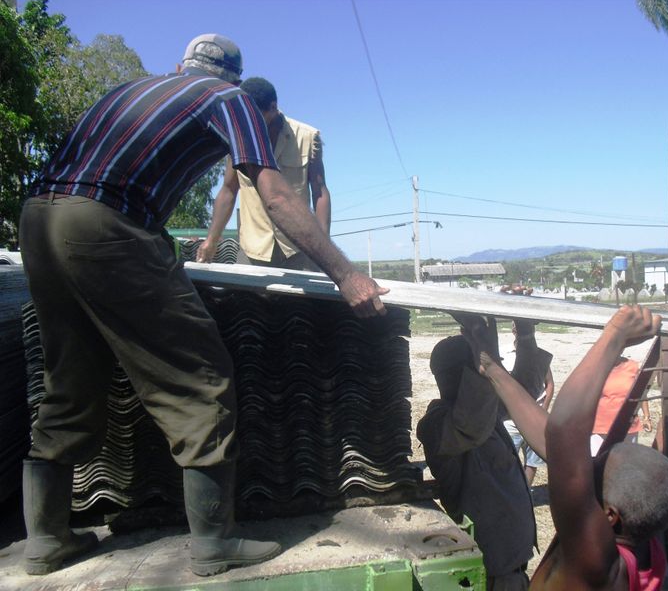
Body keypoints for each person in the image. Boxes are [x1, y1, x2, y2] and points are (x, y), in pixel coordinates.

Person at [18, 34, 388, 577]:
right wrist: (347, 273)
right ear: (233, 79)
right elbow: (277, 193)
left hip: (39, 219)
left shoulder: (130, 90)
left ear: (179, 66)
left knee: (70, 379)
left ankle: (46, 540)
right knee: (200, 377)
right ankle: (214, 544)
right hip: (103, 226)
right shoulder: (228, 99)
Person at [457, 306, 668, 591]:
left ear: (609, 517)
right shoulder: (645, 539)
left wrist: (615, 337)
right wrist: (492, 369)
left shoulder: (596, 561)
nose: (587, 465)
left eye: (595, 470)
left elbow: (564, 433)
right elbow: (559, 449)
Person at [417, 333, 536, 591]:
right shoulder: (438, 425)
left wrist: (526, 335)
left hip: (511, 567)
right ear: (464, 375)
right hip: (488, 574)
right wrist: (483, 346)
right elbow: (470, 425)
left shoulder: (486, 413)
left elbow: (525, 394)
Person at [197, 77, 330, 270]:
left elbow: (320, 192)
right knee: (245, 300)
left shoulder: (307, 138)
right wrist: (212, 240)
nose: (249, 122)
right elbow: (228, 190)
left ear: (273, 108)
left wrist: (323, 244)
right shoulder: (239, 139)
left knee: (304, 301)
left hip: (300, 248)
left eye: (255, 115)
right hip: (253, 249)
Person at [501, 320, 554, 486]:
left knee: (531, 462)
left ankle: (525, 493)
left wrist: (542, 410)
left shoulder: (539, 355)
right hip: (510, 419)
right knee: (508, 460)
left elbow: (550, 383)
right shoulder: (503, 353)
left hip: (533, 417)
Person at [590, 357, 653, 456]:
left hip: (628, 425)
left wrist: (647, 417)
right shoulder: (596, 367)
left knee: (627, 461)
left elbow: (642, 393)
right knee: (597, 461)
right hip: (600, 427)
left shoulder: (633, 367)